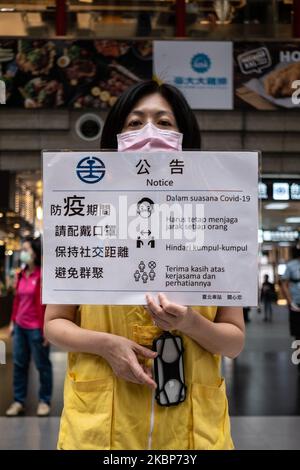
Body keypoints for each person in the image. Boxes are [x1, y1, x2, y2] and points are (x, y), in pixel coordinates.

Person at [44, 80, 245, 450]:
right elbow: (54, 325)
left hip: (191, 432)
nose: (149, 132)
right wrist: (105, 344)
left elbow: (233, 342)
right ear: (116, 137)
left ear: (184, 138)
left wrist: (191, 323)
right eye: (135, 123)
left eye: (164, 122)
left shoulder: (219, 224)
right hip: (102, 429)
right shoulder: (83, 221)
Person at [6, 237, 52, 417]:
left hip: (36, 328)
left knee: (42, 365)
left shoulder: (41, 276)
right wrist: (12, 322)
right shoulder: (21, 274)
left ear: (35, 253)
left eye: (26, 250)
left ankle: (44, 401)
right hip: (20, 327)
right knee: (19, 364)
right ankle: (18, 401)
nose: (23, 253)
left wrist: (47, 329)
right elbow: (17, 301)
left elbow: (46, 304)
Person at [281, 245, 300, 373]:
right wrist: (290, 301)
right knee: (298, 335)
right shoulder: (291, 265)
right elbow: (284, 283)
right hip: (296, 305)